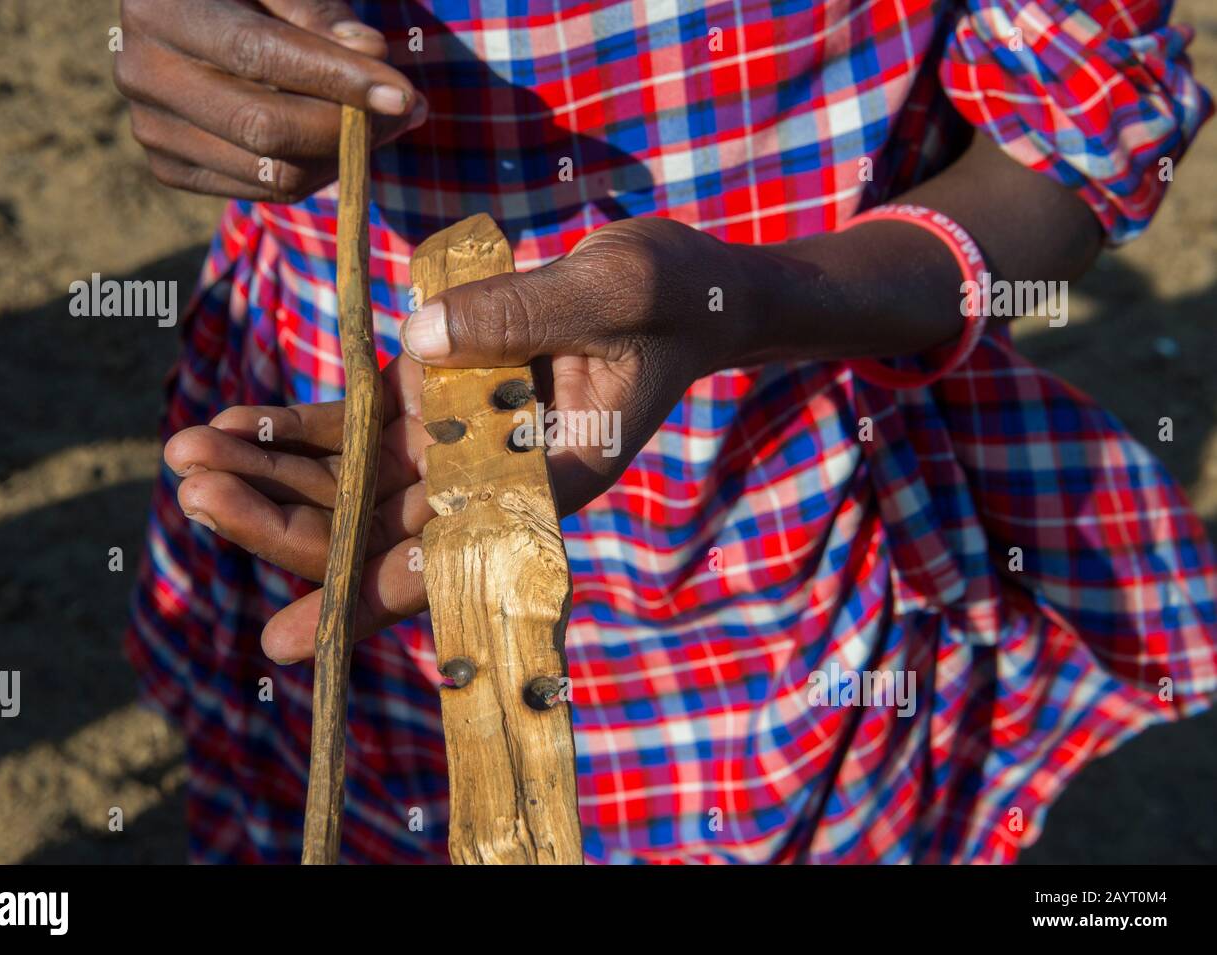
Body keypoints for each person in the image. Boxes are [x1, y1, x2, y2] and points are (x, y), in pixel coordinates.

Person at [116, 0, 1216, 863]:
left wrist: (746, 302)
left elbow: (1065, 155)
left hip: (778, 516)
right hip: (343, 440)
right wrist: (205, 53)